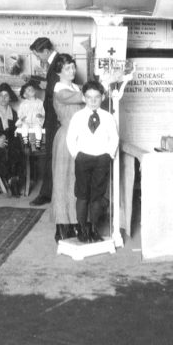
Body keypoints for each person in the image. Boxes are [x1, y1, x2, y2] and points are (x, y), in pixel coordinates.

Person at [66, 80, 119, 243]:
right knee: (82, 195)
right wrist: (77, 155)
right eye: (89, 97)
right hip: (83, 159)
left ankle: (94, 228)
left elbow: (114, 138)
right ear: (84, 98)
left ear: (102, 97)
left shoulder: (108, 117)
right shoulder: (78, 117)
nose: (93, 101)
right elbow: (70, 138)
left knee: (97, 196)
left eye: (96, 97)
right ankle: (82, 229)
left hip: (101, 160)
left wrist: (108, 155)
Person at [49, 54, 82, 241]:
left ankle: (73, 222)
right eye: (68, 68)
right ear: (58, 71)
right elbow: (82, 97)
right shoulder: (60, 90)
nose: (72, 71)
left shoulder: (74, 87)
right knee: (63, 181)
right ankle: (61, 226)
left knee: (75, 181)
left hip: (79, 138)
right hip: (66, 138)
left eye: (73, 67)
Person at [29, 37, 58, 206]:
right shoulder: (54, 63)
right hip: (52, 115)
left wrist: (37, 82)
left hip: (56, 116)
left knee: (51, 156)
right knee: (50, 155)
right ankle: (48, 192)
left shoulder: (59, 62)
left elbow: (54, 89)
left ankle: (47, 193)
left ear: (46, 51)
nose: (39, 59)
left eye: (39, 55)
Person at [15, 80, 45, 148]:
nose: (31, 90)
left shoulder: (40, 102)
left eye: (32, 88)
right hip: (27, 121)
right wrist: (22, 117)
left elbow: (43, 111)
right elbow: (20, 112)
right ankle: (25, 141)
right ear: (25, 95)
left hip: (36, 121)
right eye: (28, 90)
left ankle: (38, 142)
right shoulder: (23, 104)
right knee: (24, 127)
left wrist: (41, 115)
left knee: (38, 129)